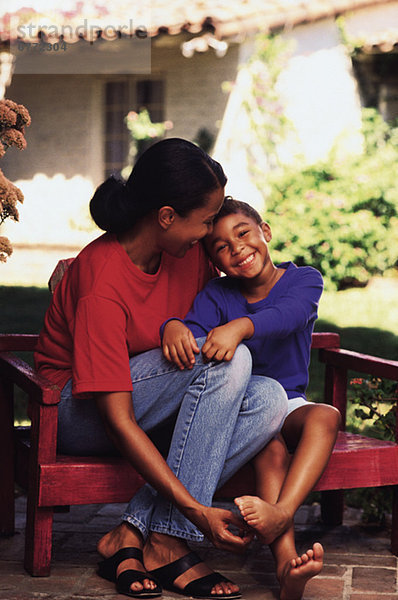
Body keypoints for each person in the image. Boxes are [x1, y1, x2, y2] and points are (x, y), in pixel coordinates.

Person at [34, 141, 288, 600]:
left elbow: (243, 292)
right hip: (76, 410)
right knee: (233, 364)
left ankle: (134, 534)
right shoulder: (102, 282)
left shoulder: (185, 251)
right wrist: (196, 511)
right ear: (167, 216)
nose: (211, 232)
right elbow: (118, 420)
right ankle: (170, 541)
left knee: (269, 399)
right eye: (207, 220)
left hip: (154, 396)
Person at [161, 197, 341, 600]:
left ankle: (281, 513)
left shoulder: (303, 279)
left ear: (266, 232)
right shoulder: (217, 293)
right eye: (221, 247)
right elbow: (193, 331)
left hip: (289, 402)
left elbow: (290, 316)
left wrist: (241, 327)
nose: (236, 248)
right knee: (269, 450)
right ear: (216, 261)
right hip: (241, 408)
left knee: (326, 415)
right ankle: (285, 568)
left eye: (243, 234)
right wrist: (173, 325)